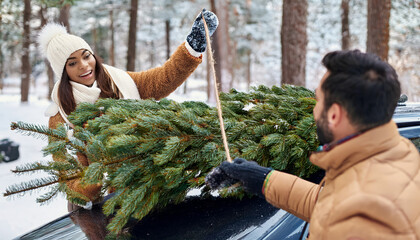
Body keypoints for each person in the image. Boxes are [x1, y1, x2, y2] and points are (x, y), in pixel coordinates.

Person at [206, 50, 420, 239]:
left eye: (319, 101)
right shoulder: (398, 153)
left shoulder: (358, 220)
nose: (315, 111)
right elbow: (329, 204)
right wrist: (263, 179)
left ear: (334, 114)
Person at [38, 9, 218, 211]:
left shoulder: (119, 82)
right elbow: (65, 168)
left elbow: (162, 79)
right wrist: (93, 184)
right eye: (72, 63)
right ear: (64, 72)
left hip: (145, 185)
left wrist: (192, 47)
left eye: (86, 56)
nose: (84, 65)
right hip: (93, 207)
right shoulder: (60, 114)